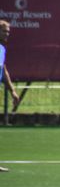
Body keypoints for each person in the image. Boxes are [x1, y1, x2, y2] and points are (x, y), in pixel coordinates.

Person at [1, 20, 21, 173]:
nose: (7, 34)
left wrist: (12, 91)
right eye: (4, 31)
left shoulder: (2, 49)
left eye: (8, 31)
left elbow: (3, 70)